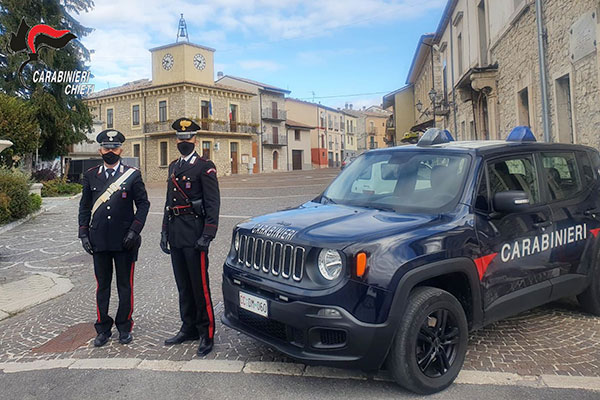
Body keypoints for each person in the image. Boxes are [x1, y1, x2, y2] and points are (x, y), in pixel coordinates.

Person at [78, 129, 150, 347]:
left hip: (124, 241)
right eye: (107, 148)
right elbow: (84, 206)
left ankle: (124, 326)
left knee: (125, 286)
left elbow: (144, 204)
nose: (111, 151)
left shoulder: (132, 175)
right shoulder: (91, 175)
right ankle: (102, 328)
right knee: (103, 287)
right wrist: (83, 233)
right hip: (99, 240)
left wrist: (134, 231)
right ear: (100, 150)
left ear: (121, 150)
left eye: (114, 148)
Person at [161, 117, 220, 356]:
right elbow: (168, 202)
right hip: (176, 233)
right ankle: (188, 327)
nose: (184, 141)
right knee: (183, 285)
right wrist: (164, 231)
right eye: (180, 138)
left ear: (195, 139)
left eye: (188, 138)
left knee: (200, 286)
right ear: (176, 140)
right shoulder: (174, 166)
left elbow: (213, 203)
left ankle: (206, 332)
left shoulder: (204, 166)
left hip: (195, 233)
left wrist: (208, 234)